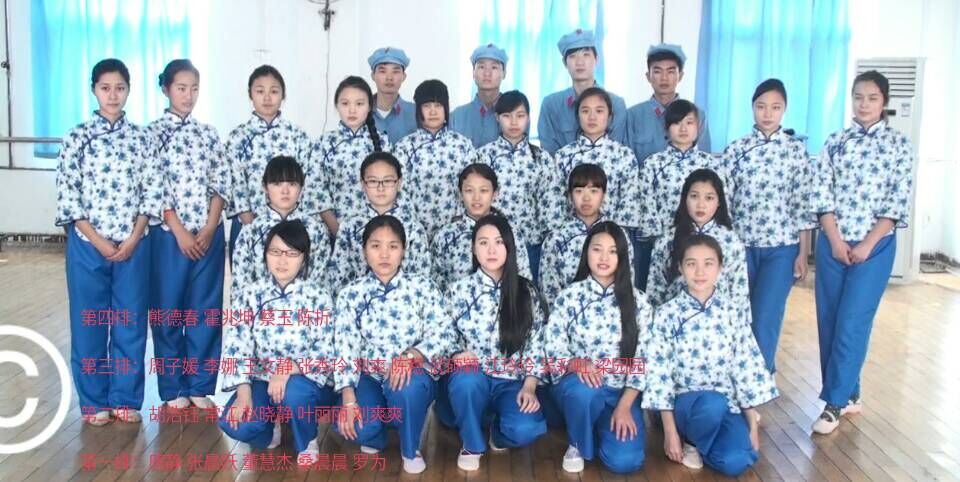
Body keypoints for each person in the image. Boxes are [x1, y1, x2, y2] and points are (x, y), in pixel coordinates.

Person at [56, 58, 163, 425]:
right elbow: (68, 195)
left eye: (119, 88)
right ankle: (93, 401)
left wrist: (134, 236)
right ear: (94, 90)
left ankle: (125, 398)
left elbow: (152, 190)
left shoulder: (143, 139)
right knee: (89, 322)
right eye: (105, 88)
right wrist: (98, 241)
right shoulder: (77, 137)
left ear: (128, 90)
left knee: (130, 323)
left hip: (135, 244)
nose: (113, 95)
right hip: (89, 245)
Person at [809, 70, 915, 434]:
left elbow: (897, 201)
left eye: (872, 98)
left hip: (875, 247)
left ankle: (833, 404)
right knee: (830, 321)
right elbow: (821, 194)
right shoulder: (835, 142)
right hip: (833, 245)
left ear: (884, 102)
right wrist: (835, 240)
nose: (864, 104)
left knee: (853, 321)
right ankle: (850, 394)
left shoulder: (899, 145)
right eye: (858, 97)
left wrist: (868, 243)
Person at [643, 234, 777, 476]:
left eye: (708, 263)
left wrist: (752, 425)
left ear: (720, 268)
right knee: (711, 404)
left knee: (737, 461)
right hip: (685, 404)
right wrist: (670, 432)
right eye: (691, 263)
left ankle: (701, 444)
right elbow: (658, 374)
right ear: (681, 268)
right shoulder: (666, 314)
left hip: (726, 404)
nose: (700, 272)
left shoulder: (732, 312)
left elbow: (745, 366)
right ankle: (690, 440)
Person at [334, 215, 451, 474]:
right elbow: (344, 347)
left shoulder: (422, 287)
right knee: (358, 427)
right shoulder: (350, 294)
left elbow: (444, 332)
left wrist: (411, 355)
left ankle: (410, 448)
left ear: (404, 251)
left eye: (393, 246)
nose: (384, 254)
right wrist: (349, 397)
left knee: (406, 389)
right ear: (364, 251)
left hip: (411, 374)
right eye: (376, 246)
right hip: (369, 375)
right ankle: (376, 433)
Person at [219, 220, 337, 466]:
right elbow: (236, 345)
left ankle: (307, 439)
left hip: (304, 380)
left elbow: (326, 351)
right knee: (236, 424)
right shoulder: (250, 295)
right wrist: (243, 392)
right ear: (265, 255)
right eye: (275, 252)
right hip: (262, 379)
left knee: (295, 394)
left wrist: (287, 369)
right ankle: (270, 423)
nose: (282, 261)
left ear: (304, 258)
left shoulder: (318, 297)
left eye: (291, 253)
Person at [147, 59, 228, 410]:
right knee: (168, 309)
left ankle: (199, 384)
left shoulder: (208, 134)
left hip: (208, 235)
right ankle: (173, 387)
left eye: (194, 88)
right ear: (166, 89)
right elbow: (154, 186)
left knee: (205, 310)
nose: (188, 95)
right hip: (169, 237)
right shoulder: (151, 135)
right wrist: (179, 231)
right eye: (181, 88)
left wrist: (210, 227)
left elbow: (221, 183)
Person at [440, 214, 548, 471]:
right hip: (470, 378)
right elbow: (442, 334)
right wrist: (456, 353)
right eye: (483, 242)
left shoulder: (526, 291)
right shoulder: (458, 291)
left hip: (511, 382)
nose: (491, 250)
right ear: (473, 248)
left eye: (499, 242)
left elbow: (537, 342)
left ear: (509, 247)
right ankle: (471, 443)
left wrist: (530, 386)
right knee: (466, 380)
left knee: (526, 428)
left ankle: (496, 433)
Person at [722, 78, 815, 373]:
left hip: (782, 248)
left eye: (775, 107)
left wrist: (803, 253)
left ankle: (760, 380)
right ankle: (735, 377)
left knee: (766, 317)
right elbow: (724, 203)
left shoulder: (796, 151)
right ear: (752, 108)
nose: (767, 113)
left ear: (784, 110)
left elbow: (803, 206)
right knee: (738, 315)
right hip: (740, 247)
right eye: (761, 106)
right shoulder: (735, 150)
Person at [545, 222, 652, 474]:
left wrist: (625, 406)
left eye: (612, 251)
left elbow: (645, 359)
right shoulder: (569, 297)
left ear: (623, 256)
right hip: (579, 386)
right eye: (597, 249)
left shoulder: (640, 302)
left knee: (625, 461)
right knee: (583, 393)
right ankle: (576, 443)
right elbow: (552, 346)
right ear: (586, 252)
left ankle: (593, 425)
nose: (604, 258)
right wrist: (575, 363)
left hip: (619, 393)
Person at [225, 65, 316, 257]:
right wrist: (252, 225)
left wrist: (291, 223)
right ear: (250, 94)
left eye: (274, 91)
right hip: (249, 224)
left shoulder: (297, 135)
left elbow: (308, 180)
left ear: (283, 95)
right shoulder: (238, 137)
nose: (267, 98)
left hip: (292, 227)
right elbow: (235, 183)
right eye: (260, 91)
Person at [637, 99, 727, 291]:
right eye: (677, 123)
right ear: (666, 127)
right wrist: (661, 242)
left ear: (698, 127)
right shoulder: (653, 164)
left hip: (707, 243)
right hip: (666, 244)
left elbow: (722, 204)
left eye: (689, 122)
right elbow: (647, 205)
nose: (683, 128)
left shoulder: (712, 164)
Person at [477, 90, 554, 282]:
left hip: (531, 243)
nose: (513, 122)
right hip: (494, 242)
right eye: (507, 116)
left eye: (520, 116)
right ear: (497, 118)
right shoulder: (483, 156)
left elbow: (549, 202)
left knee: (527, 293)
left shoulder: (541, 158)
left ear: (528, 118)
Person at [324, 152, 431, 292]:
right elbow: (338, 274)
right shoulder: (350, 227)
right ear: (363, 184)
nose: (381, 188)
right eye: (373, 181)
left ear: (399, 183)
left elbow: (421, 276)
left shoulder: (414, 228)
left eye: (388, 181)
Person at [646, 169, 748, 309]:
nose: (701, 205)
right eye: (694, 196)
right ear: (685, 199)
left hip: (720, 318)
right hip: (675, 318)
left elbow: (739, 293)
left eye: (709, 198)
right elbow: (655, 289)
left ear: (719, 202)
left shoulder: (731, 241)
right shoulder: (667, 240)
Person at [231, 156, 332, 295]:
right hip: (260, 305)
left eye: (292, 184)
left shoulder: (316, 231)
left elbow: (320, 280)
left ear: (302, 187)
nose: (285, 191)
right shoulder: (250, 232)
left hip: (305, 304)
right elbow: (241, 284)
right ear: (265, 187)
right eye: (277, 184)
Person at [393, 79, 479, 237]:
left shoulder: (462, 145)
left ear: (446, 108)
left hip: (457, 231)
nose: (433, 112)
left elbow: (473, 187)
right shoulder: (404, 147)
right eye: (427, 106)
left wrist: (460, 223)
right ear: (418, 110)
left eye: (438, 105)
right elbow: (399, 192)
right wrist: (411, 226)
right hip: (414, 232)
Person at [540, 164, 633, 305]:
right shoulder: (556, 239)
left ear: (604, 195)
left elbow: (627, 281)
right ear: (570, 196)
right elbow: (549, 291)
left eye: (594, 191)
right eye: (579, 191)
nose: (586, 198)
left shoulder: (619, 235)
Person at [431, 163, 532, 290]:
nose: (476, 197)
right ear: (460, 194)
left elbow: (524, 281)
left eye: (483, 190)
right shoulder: (445, 236)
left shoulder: (511, 232)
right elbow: (435, 285)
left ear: (495, 194)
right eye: (469, 191)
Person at [311, 75, 390, 233]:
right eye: (345, 103)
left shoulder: (382, 142)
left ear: (369, 107)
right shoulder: (325, 142)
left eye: (359, 104)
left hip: (377, 232)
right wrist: (337, 230)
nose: (352, 110)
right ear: (337, 106)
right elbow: (315, 189)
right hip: (335, 230)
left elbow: (392, 188)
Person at [537, 29, 628, 154]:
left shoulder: (616, 104)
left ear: (596, 59)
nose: (580, 62)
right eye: (573, 56)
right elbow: (548, 153)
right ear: (564, 63)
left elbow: (616, 151)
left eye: (586, 55)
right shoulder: (551, 105)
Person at [625, 43, 712, 163]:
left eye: (670, 71)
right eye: (657, 71)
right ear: (648, 76)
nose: (664, 78)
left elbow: (705, 161)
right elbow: (627, 161)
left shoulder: (698, 115)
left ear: (680, 76)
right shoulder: (633, 116)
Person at [450, 43, 509, 148]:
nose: (487, 73)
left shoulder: (515, 116)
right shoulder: (456, 117)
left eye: (494, 67)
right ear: (473, 73)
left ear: (504, 73)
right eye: (481, 67)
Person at [368, 47, 417, 142]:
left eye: (395, 71)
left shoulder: (416, 113)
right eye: (382, 71)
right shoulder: (361, 112)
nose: (389, 78)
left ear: (404, 76)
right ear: (373, 76)